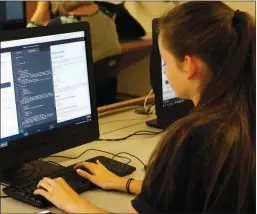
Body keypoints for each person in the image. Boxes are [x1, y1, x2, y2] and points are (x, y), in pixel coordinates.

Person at [33, 2, 256, 213]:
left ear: (189, 66)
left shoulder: (193, 136)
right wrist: (126, 183)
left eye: (165, 62)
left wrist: (74, 204)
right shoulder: (243, 116)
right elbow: (199, 190)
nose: (165, 72)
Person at [27, 1, 121, 62]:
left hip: (76, 88)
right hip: (106, 88)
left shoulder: (62, 24)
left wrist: (41, 8)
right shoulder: (107, 14)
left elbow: (27, 51)